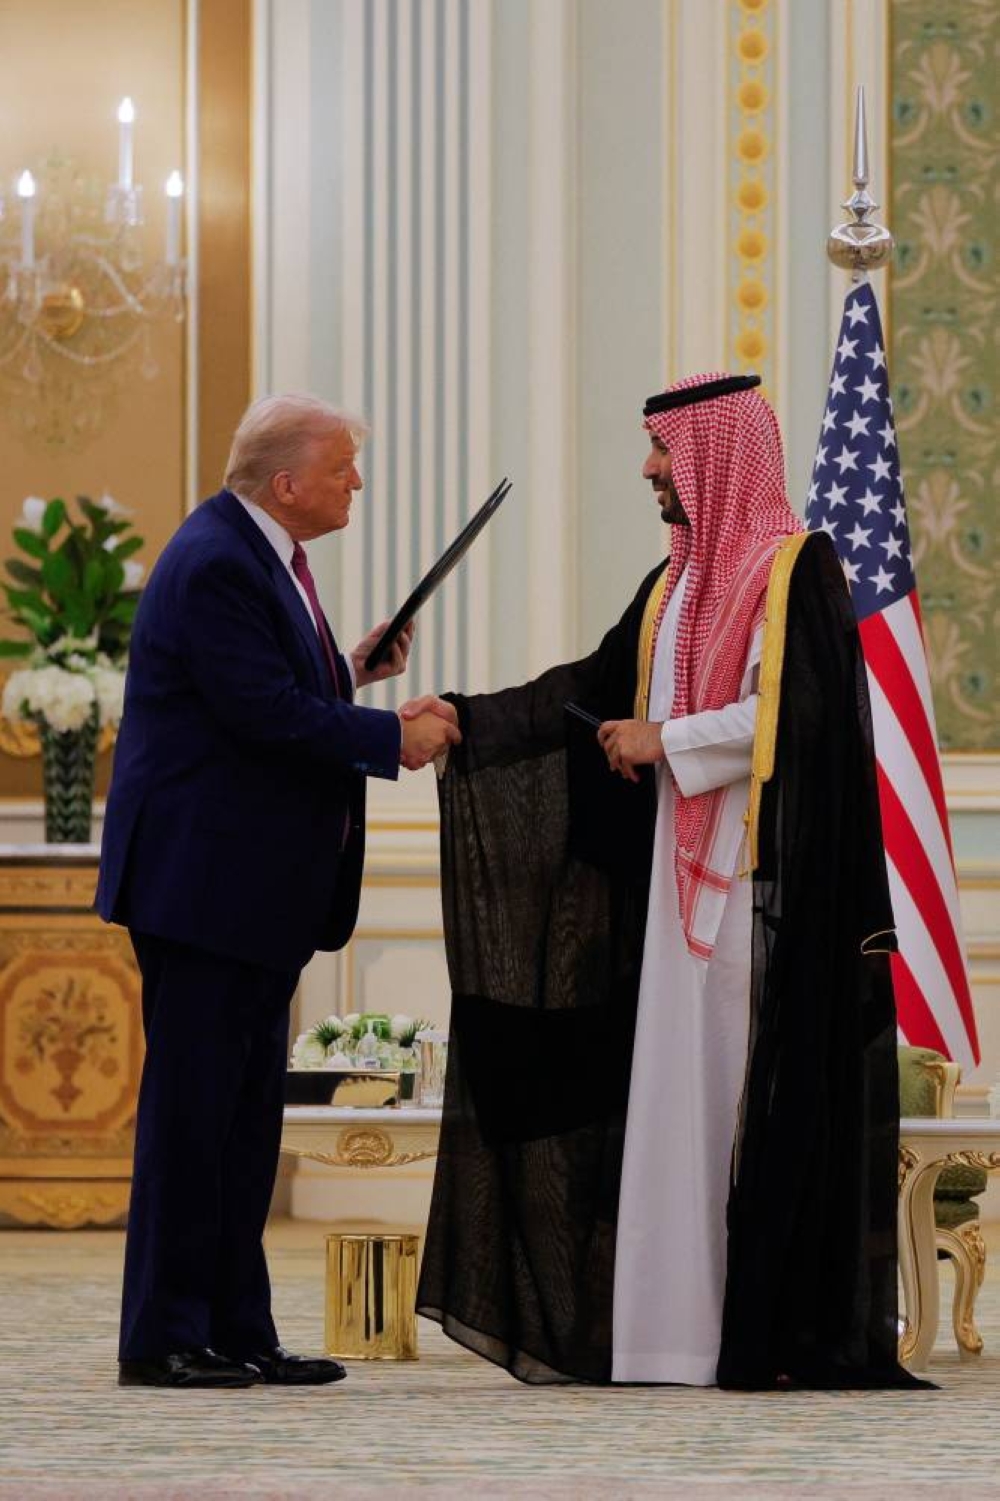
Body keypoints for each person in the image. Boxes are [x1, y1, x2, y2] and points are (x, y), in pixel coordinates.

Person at [409, 372, 924, 1391]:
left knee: (734, 1111)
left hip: (757, 897)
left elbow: (806, 717)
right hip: (667, 899)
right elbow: (587, 694)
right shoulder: (673, 585)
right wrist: (469, 717)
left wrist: (668, 737)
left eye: (662, 451)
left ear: (714, 454)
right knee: (663, 1114)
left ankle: (746, 1333)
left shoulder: (794, 571)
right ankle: (661, 1338)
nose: (649, 469)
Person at [97, 393, 460, 1389]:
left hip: (244, 891)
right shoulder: (219, 559)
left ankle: (235, 1328)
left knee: (243, 1117)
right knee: (195, 1115)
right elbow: (259, 713)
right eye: (343, 468)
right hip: (203, 887)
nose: (356, 483)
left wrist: (350, 668)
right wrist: (395, 736)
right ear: (288, 483)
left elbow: (269, 691)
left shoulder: (254, 555)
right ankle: (166, 1335)